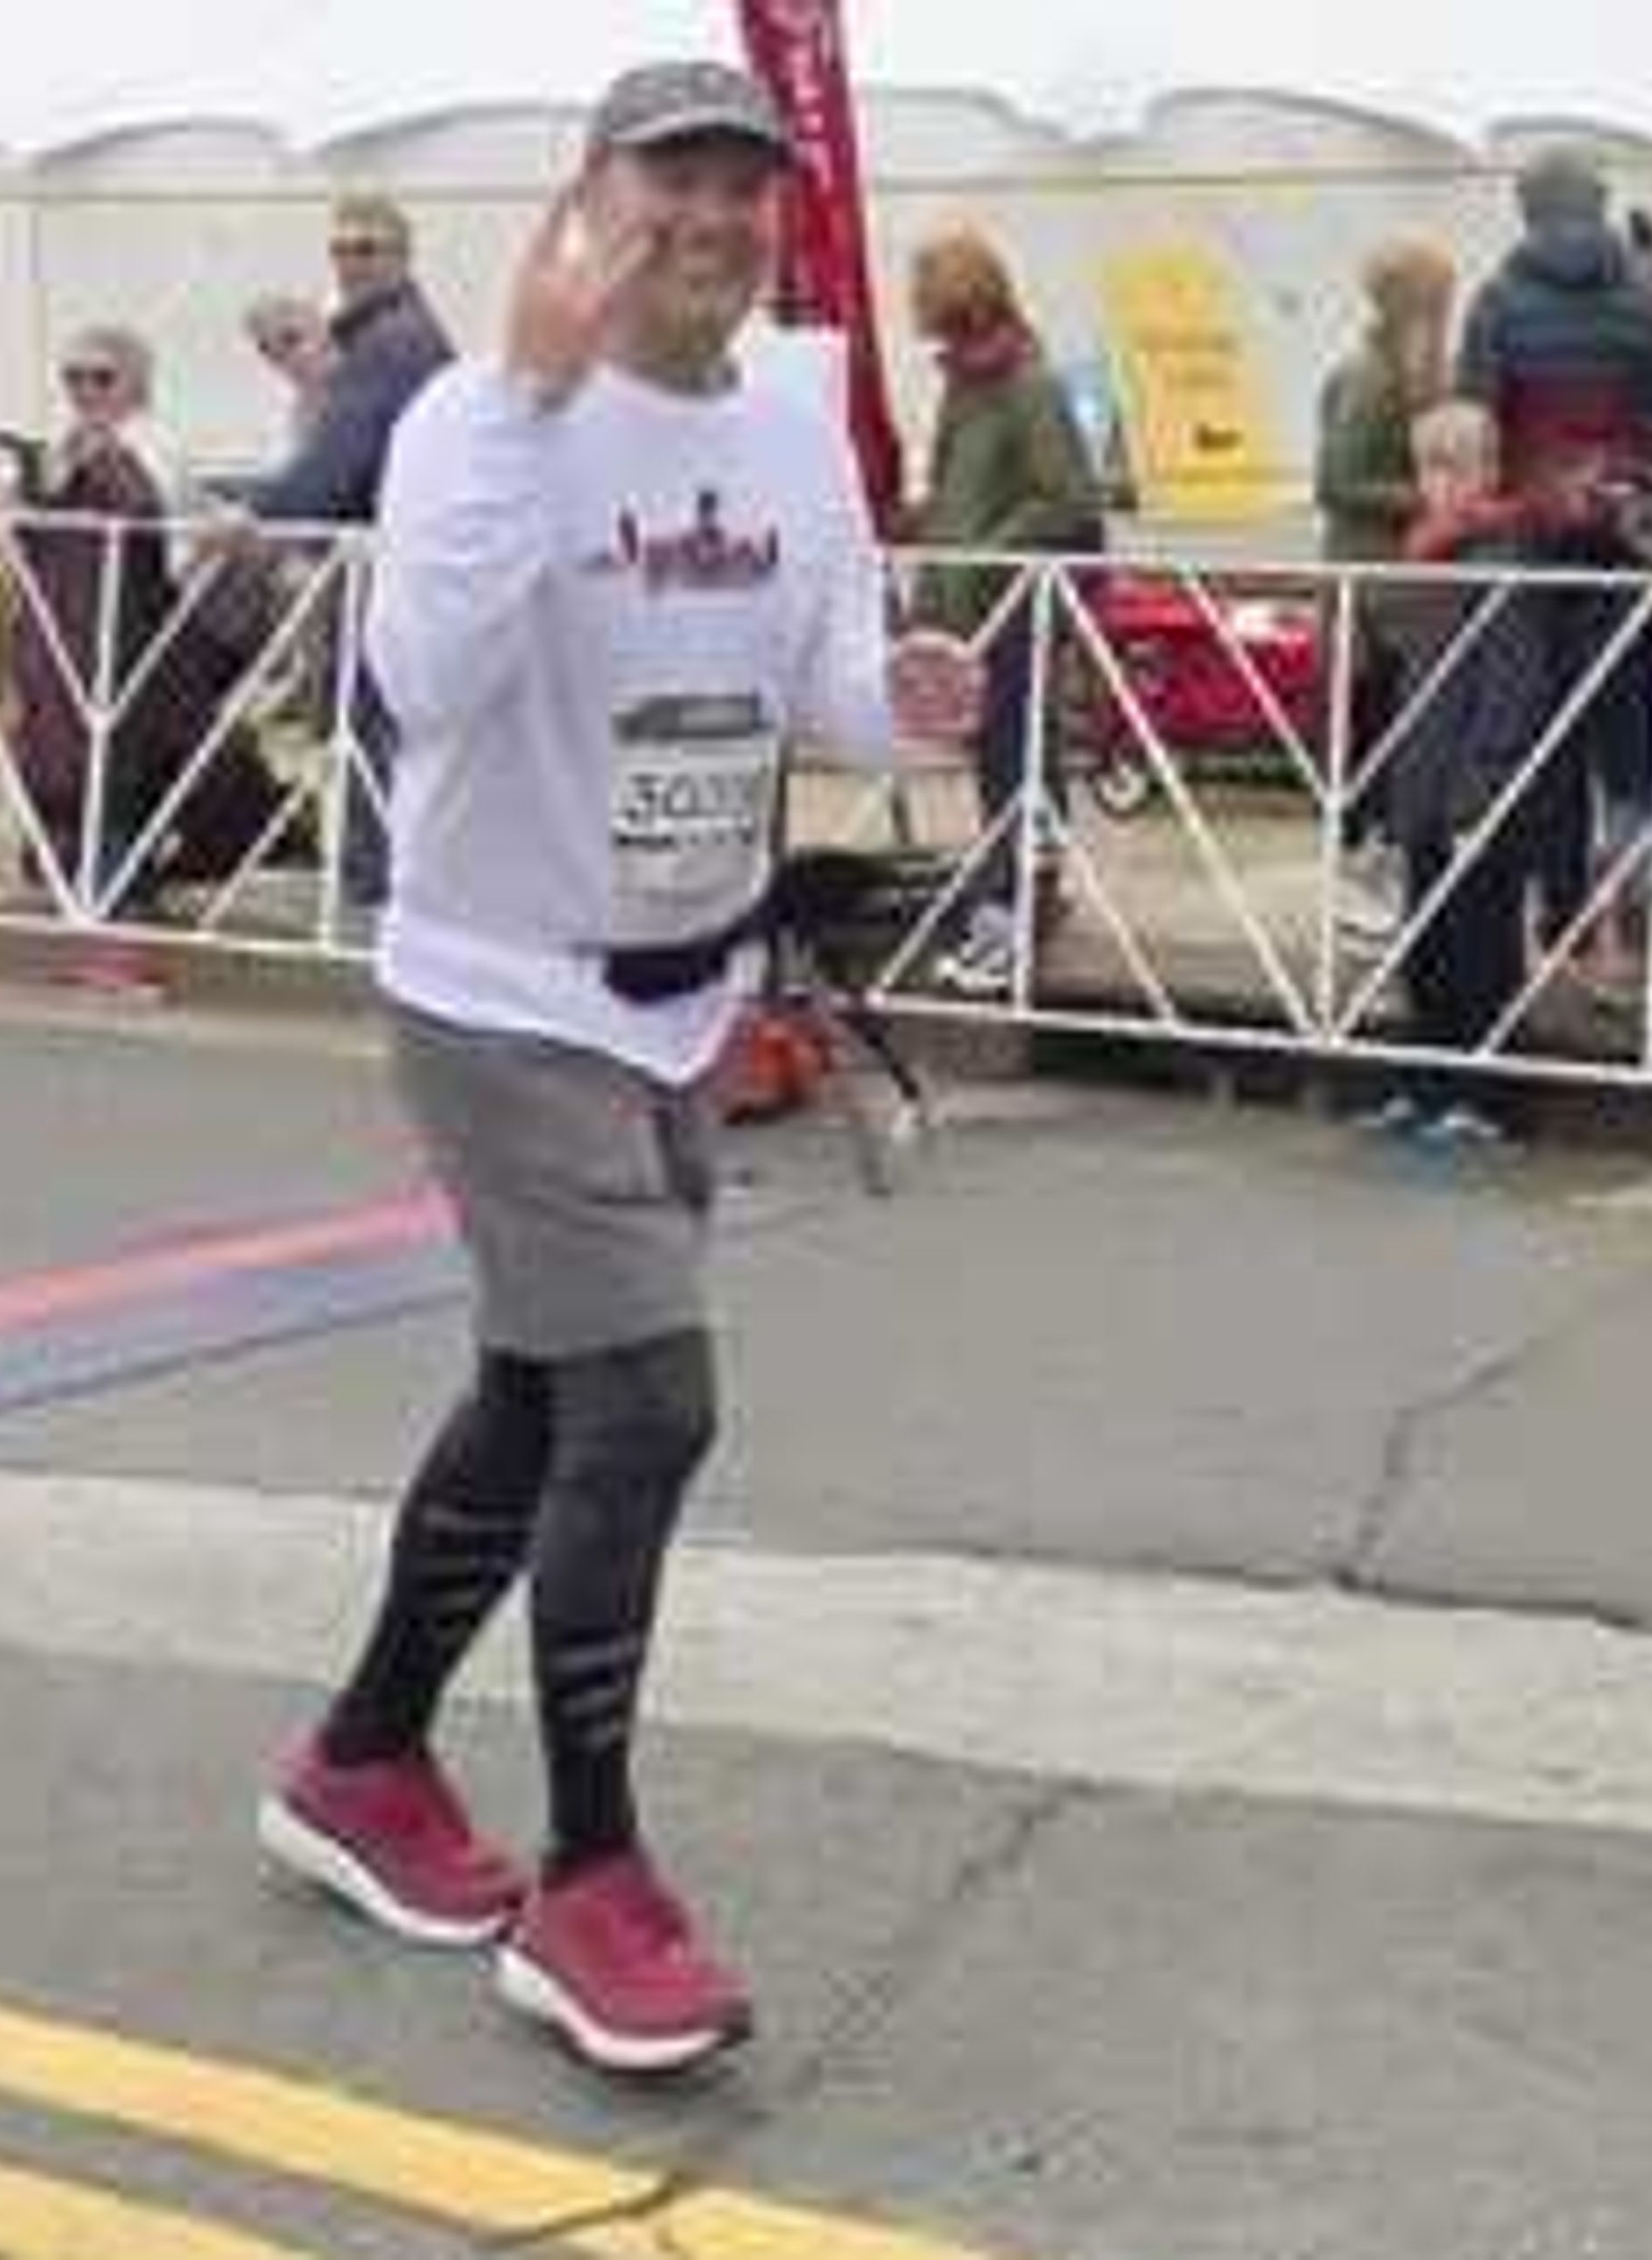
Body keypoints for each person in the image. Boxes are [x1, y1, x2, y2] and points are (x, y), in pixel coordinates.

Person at [252, 61, 971, 2074]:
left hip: (677, 989)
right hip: (498, 987)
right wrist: (532, 401)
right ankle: (589, 1884)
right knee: (646, 1405)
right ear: (590, 201)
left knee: (538, 1395)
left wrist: (892, 696)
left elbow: (813, 661)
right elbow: (424, 683)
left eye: (749, 187)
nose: (719, 221)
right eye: (677, 181)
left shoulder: (794, 415)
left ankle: (361, 1764)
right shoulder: (478, 418)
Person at [1452, 148, 1652, 977]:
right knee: (1631, 744)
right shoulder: (1641, 299)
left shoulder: (1497, 300)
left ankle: (1564, 922)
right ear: (1599, 204)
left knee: (1543, 740)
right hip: (1627, 542)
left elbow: (1472, 428)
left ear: (1526, 209)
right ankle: (1642, 938)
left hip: (1532, 546)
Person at [0, 325, 287, 918]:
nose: (86, 390)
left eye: (101, 377)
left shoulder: (157, 444)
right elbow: (20, 534)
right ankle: (102, 874)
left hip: (147, 633)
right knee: (73, 759)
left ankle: (116, 883)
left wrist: (229, 535)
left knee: (123, 760)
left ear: (137, 383)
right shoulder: (59, 445)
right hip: (65, 635)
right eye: (73, 378)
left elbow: (176, 520)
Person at [902, 228, 1105, 998]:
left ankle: (1019, 901)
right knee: (997, 755)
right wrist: (920, 523)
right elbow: (963, 488)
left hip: (1016, 603)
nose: (934, 328)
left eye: (943, 313)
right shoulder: (968, 381)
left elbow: (1069, 499)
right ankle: (1012, 890)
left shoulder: (1027, 385)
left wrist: (986, 546)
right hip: (975, 600)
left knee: (1020, 754)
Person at [245, 193, 458, 909]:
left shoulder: (391, 342)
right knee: (366, 721)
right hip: (373, 557)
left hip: (386, 560)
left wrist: (254, 518)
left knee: (376, 722)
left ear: (402, 256)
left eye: (368, 248)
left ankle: (380, 886)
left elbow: (337, 462)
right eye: (342, 249)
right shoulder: (382, 339)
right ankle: (382, 874)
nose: (353, 261)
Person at [1364, 397, 1555, 1148]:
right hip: (1424, 776)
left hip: (1474, 787)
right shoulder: (1430, 554)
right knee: (1427, 943)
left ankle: (1486, 1092)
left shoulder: (1500, 561)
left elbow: (1512, 690)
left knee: (1483, 946)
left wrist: (1485, 782)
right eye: (1427, 467)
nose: (1438, 483)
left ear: (1487, 470)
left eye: (1454, 466)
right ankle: (1428, 1078)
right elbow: (1406, 668)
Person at [1315, 240, 1459, 943]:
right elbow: (1336, 481)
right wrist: (1432, 499)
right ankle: (1356, 879)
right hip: (1372, 591)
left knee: (1391, 735)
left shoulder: (1411, 371)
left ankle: (1378, 874)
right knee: (1371, 733)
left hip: (1399, 589)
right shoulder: (1371, 377)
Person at [243, 292, 334, 460]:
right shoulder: (283, 418)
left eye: (292, 339)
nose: (288, 359)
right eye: (271, 352)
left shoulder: (369, 394)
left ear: (322, 330)